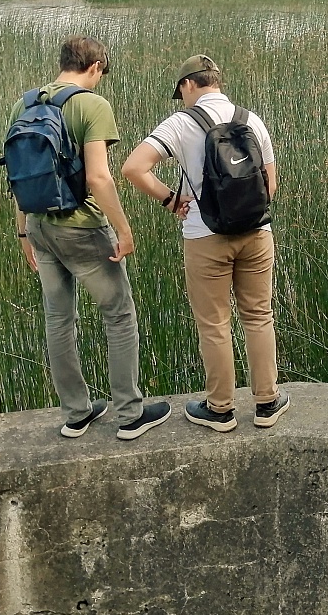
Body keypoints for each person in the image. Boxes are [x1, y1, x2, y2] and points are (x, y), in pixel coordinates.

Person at [11, 35, 171, 441]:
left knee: (58, 318)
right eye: (103, 72)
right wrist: (123, 227)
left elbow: (18, 175)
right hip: (81, 227)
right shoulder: (92, 105)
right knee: (118, 315)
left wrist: (23, 232)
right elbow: (99, 176)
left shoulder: (24, 104)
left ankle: (76, 413)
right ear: (96, 67)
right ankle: (131, 414)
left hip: (39, 227)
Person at [121, 55, 286, 433]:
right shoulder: (251, 119)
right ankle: (267, 403)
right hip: (257, 233)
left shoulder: (181, 123)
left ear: (187, 85)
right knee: (259, 316)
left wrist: (169, 199)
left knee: (214, 324)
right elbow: (270, 185)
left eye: (180, 92)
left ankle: (221, 410)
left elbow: (133, 167)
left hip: (204, 236)